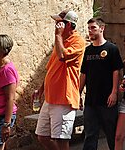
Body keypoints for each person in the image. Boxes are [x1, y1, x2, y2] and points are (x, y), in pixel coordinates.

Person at [35, 9, 86, 150]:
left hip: (64, 99)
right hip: (50, 98)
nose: (56, 25)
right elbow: (51, 68)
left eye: (59, 23)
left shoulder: (78, 42)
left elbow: (63, 56)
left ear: (68, 25)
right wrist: (41, 89)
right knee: (42, 136)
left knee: (61, 139)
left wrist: (57, 36)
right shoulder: (60, 41)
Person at [79, 18, 122, 150]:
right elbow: (84, 73)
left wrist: (114, 93)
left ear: (102, 28)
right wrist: (78, 93)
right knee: (90, 134)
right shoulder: (88, 51)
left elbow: (116, 72)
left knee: (111, 133)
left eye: (93, 28)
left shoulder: (112, 49)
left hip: (107, 100)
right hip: (91, 101)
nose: (90, 31)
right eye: (89, 28)